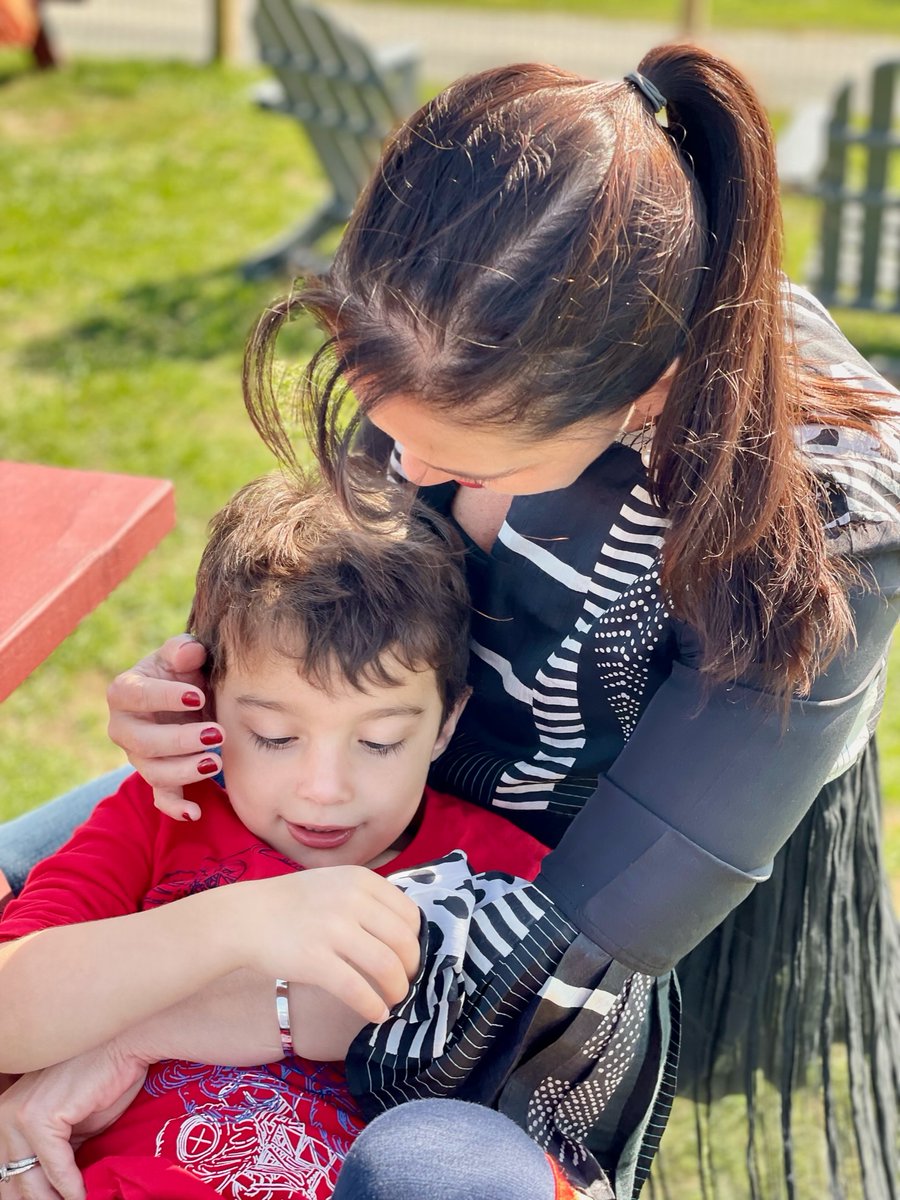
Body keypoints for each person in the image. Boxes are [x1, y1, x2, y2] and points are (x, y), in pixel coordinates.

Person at [2, 42, 899, 1200]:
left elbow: (553, 968)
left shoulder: (822, 518)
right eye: (386, 424)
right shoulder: (468, 294)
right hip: (361, 774)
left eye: (465, 457)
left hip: (562, 918)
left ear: (632, 397)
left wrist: (132, 1028)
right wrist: (205, 695)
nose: (399, 471)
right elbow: (315, 595)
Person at [0, 473, 579, 1200]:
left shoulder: (504, 872)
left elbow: (525, 1088)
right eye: (274, 737)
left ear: (447, 723)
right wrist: (234, 922)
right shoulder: (163, 816)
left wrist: (141, 1030)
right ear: (205, 701)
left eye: (380, 742)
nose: (324, 788)